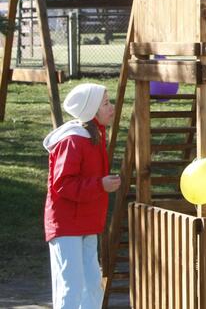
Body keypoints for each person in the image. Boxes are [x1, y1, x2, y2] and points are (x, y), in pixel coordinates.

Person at [44, 83, 120, 308]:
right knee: (71, 288)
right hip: (67, 225)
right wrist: (100, 185)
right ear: (91, 110)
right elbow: (63, 184)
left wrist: (101, 184)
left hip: (86, 223)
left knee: (91, 287)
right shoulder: (73, 140)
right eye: (106, 103)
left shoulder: (92, 136)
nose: (112, 108)